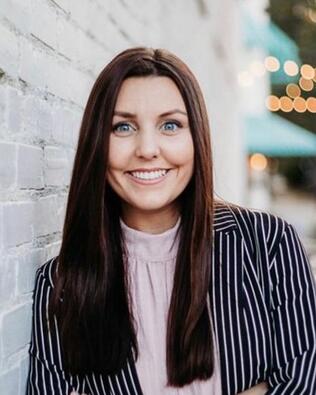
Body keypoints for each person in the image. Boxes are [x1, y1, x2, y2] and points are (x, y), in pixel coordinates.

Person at [25, 47, 316, 395]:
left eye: (170, 125)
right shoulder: (61, 285)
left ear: (197, 140)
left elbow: (305, 382)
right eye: (123, 126)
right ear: (97, 143)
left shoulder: (267, 244)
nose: (147, 148)